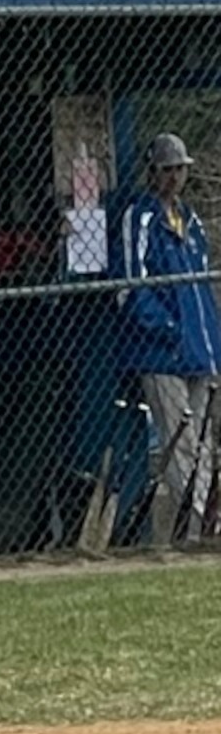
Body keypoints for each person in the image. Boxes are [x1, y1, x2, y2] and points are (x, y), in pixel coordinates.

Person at [111, 132, 217, 543]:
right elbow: (129, 288)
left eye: (180, 169)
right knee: (182, 443)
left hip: (197, 350)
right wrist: (169, 328)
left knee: (203, 444)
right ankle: (197, 530)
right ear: (153, 172)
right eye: (167, 169)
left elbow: (204, 289)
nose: (175, 177)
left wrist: (210, 343)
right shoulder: (140, 217)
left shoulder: (190, 221)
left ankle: (195, 526)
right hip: (161, 352)